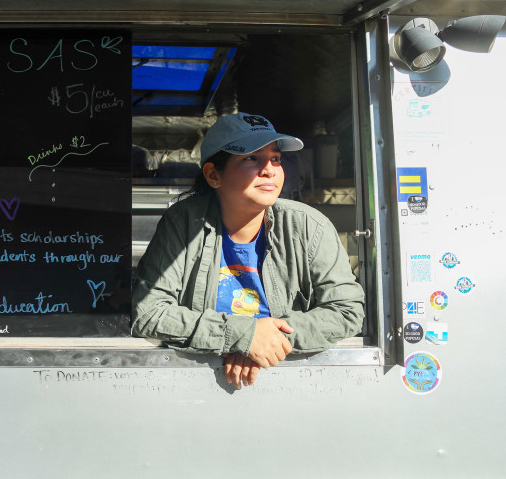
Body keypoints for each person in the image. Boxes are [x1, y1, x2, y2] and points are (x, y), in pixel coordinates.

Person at [131, 112, 365, 389]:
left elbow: (346, 310)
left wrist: (269, 340)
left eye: (275, 158)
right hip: (196, 385)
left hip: (290, 383)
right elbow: (149, 312)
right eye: (251, 158)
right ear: (213, 174)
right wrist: (242, 335)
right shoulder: (183, 222)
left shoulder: (309, 226)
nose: (269, 170)